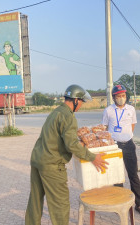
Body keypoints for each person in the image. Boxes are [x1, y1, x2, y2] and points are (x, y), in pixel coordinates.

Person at [25, 84, 108, 225]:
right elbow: (71, 144)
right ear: (76, 100)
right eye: (81, 101)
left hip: (38, 160)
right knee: (60, 204)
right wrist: (93, 157)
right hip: (52, 165)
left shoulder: (56, 112)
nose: (81, 105)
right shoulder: (68, 116)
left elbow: (58, 137)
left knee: (35, 199)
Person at [102, 84, 140, 217]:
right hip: (114, 146)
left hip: (128, 145)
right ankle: (119, 205)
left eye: (123, 95)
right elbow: (104, 128)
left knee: (133, 175)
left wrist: (125, 137)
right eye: (118, 96)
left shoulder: (131, 109)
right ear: (114, 97)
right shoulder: (108, 111)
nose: (121, 98)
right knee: (117, 177)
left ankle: (139, 204)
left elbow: (132, 125)